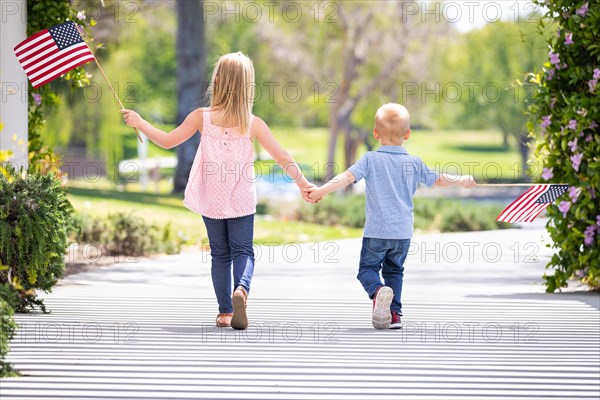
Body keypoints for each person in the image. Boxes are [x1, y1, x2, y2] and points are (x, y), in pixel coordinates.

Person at [121, 52, 315, 330]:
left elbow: (166, 141)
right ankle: (242, 290)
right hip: (241, 198)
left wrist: (140, 122)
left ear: (218, 82)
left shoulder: (202, 117)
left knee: (220, 254)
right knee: (243, 251)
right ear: (248, 85)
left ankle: (225, 312)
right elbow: (282, 157)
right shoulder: (253, 124)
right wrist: (302, 183)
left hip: (210, 196)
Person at [307, 103, 476, 329]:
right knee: (395, 271)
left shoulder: (370, 159)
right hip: (402, 233)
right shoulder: (413, 163)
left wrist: (320, 191)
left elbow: (347, 178)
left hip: (376, 231)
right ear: (408, 134)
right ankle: (394, 315)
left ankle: (377, 291)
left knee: (367, 271)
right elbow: (437, 180)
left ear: (376, 134)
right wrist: (462, 180)